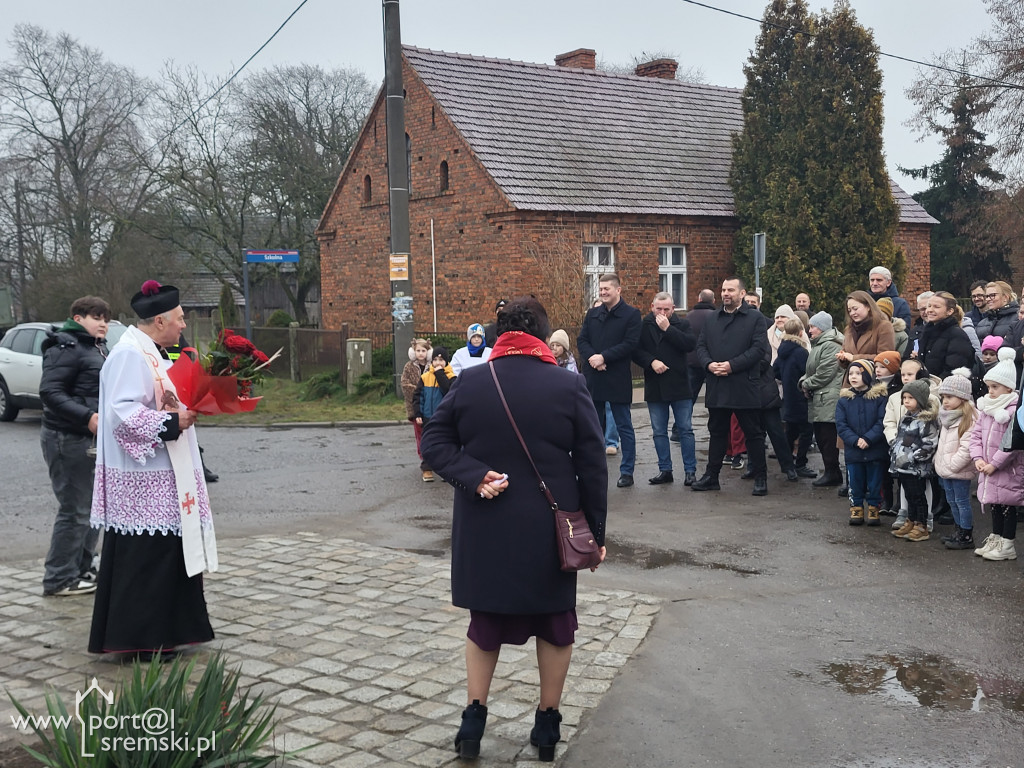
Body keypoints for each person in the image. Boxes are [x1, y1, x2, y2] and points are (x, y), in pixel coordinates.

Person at [420, 296, 607, 762]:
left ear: (498, 335)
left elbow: (435, 444)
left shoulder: (472, 381)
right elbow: (592, 464)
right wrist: (596, 536)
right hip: (550, 528)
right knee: (556, 624)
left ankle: (473, 719)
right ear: (544, 336)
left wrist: (472, 473)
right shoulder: (568, 386)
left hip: (487, 526)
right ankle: (547, 726)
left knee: (484, 624)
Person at [89, 281, 216, 658]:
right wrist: (174, 422)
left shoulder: (153, 352)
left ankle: (169, 631)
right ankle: (142, 639)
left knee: (165, 557)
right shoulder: (130, 355)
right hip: (144, 484)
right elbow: (123, 414)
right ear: (159, 320)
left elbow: (159, 400)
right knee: (147, 561)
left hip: (163, 478)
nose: (183, 326)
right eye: (179, 319)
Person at [39, 296, 110, 597]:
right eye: (96, 317)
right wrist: (87, 416)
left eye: (106, 318)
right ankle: (59, 578)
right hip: (67, 438)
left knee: (94, 510)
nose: (103, 323)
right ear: (78, 318)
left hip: (91, 439)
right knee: (75, 509)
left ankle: (81, 568)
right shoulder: (65, 346)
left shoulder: (95, 347)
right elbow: (50, 392)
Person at [692, 277, 770, 495]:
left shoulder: (755, 318)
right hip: (717, 383)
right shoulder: (712, 318)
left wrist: (731, 366)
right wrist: (709, 364)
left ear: (742, 294)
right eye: (724, 290)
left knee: (753, 433)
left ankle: (760, 477)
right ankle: (711, 476)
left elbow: (757, 350)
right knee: (717, 432)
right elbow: (701, 346)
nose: (726, 293)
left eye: (731, 290)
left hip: (743, 384)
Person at [577, 273, 642, 488]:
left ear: (618, 290)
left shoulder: (631, 315)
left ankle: (627, 472)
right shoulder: (592, 314)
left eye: (607, 289)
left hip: (616, 377)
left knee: (624, 426)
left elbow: (630, 344)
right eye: (601, 289)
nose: (603, 292)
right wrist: (593, 359)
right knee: (592, 428)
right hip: (594, 377)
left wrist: (604, 357)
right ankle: (593, 470)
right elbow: (582, 340)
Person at [633, 291, 697, 486]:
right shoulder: (645, 325)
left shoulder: (682, 324)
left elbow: (689, 344)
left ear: (673, 309)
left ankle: (690, 470)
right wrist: (651, 361)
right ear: (652, 307)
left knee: (685, 429)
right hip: (655, 384)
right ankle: (665, 469)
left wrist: (668, 329)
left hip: (679, 384)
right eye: (658, 309)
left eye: (666, 309)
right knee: (658, 430)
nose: (662, 313)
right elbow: (635, 350)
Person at [970, 348, 1023, 562]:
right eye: (989, 386)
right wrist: (978, 459)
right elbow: (975, 437)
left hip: (1006, 469)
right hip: (988, 466)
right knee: (995, 503)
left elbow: (1013, 444)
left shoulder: (1012, 412)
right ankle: (996, 536)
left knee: (1007, 505)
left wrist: (995, 463)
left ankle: (1007, 542)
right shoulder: (985, 409)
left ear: (1009, 387)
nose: (990, 391)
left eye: (995, 387)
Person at [835, 359, 889, 526]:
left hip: (874, 449)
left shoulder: (879, 397)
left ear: (867, 375)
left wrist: (868, 438)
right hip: (854, 450)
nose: (853, 377)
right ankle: (856, 507)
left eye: (858, 373)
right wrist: (854, 440)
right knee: (855, 481)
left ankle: (874, 507)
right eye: (851, 374)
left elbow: (882, 421)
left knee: (875, 481)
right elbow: (841, 424)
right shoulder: (844, 400)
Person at [889, 379, 940, 541]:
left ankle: (921, 524)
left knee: (918, 496)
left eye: (910, 398)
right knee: (909, 495)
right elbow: (900, 440)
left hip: (916, 467)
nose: (906, 401)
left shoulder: (926, 420)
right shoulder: (906, 418)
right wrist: (895, 453)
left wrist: (912, 458)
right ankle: (911, 520)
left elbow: (929, 445)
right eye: (904, 398)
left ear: (920, 400)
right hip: (903, 465)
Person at [934, 368, 979, 550]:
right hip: (947, 469)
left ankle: (966, 534)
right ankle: (958, 530)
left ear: (962, 398)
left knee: (962, 501)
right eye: (943, 397)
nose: (945, 401)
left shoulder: (970, 418)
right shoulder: (946, 416)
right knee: (952, 501)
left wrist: (953, 465)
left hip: (958, 469)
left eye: (949, 397)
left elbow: (967, 448)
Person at [164, 334, 218, 483]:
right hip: (165, 385)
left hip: (178, 382)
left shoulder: (177, 338)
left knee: (189, 433)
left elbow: (186, 354)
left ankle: (199, 467)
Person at [801, 311, 844, 487]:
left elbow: (825, 373)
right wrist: (804, 381)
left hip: (828, 398)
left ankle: (832, 473)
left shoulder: (831, 345)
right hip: (821, 397)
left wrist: (805, 384)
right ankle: (831, 472)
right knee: (822, 437)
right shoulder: (820, 344)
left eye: (813, 326)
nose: (810, 330)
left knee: (827, 438)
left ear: (823, 328)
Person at [774, 317, 815, 477]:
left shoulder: (782, 350)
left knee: (790, 431)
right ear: (800, 332)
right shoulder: (801, 352)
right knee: (806, 431)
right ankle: (801, 463)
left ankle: (788, 462)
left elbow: (775, 371)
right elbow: (807, 372)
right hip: (801, 396)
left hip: (788, 397)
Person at [413, 346, 456, 482]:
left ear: (446, 362)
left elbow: (449, 391)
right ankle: (427, 469)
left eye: (441, 360)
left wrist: (440, 374)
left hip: (445, 417)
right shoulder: (425, 377)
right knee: (428, 442)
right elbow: (418, 397)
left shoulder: (452, 377)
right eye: (435, 360)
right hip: (428, 416)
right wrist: (418, 413)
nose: (438, 363)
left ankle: (445, 470)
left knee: (445, 444)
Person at [837, 291, 896, 383]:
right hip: (850, 383)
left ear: (868, 306)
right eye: (849, 310)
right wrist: (842, 358)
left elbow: (885, 358)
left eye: (855, 309)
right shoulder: (849, 329)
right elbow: (846, 359)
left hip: (872, 382)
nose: (852, 313)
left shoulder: (883, 327)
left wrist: (854, 358)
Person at [916, 292, 975, 380]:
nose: (930, 310)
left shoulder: (957, 335)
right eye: (929, 306)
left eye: (936, 307)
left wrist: (934, 385)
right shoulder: (926, 333)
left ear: (949, 311)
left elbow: (953, 368)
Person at [401, 338, 433, 479]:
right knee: (420, 434)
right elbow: (404, 384)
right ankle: (424, 458)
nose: (421, 354)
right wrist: (420, 390)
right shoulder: (409, 367)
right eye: (418, 351)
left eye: (423, 351)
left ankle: (433, 459)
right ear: (413, 352)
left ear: (428, 352)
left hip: (431, 406)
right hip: (416, 406)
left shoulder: (432, 366)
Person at [685, 289, 716, 400]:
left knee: (690, 395)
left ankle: (686, 416)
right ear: (713, 301)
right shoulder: (716, 316)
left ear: (699, 299)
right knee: (713, 395)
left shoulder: (689, 316)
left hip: (692, 361)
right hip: (711, 361)